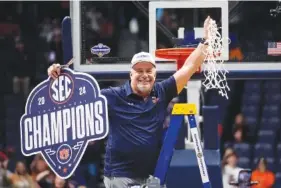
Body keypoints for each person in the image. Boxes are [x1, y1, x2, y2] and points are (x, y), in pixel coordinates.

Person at [47, 16, 212, 188]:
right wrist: (59, 74)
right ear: (130, 74)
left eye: (149, 70)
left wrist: (206, 41)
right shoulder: (113, 95)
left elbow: (189, 67)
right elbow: (75, 99)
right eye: (139, 70)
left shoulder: (162, 91)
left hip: (150, 177)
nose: (144, 74)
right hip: (120, 177)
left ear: (155, 75)